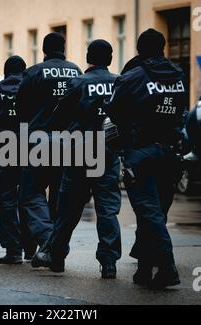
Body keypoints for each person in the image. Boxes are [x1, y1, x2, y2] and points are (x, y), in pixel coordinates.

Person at [102, 29, 188, 289]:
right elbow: (181, 110)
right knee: (156, 213)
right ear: (162, 47)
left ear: (139, 49)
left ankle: (167, 266)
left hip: (142, 151)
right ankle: (143, 268)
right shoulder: (179, 75)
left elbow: (113, 110)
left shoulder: (132, 77)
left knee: (148, 212)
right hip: (171, 152)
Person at [36, 40, 122, 278]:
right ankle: (109, 263)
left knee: (69, 209)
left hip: (79, 152)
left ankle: (57, 256)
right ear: (111, 58)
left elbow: (58, 118)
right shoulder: (118, 83)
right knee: (107, 209)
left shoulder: (78, 83)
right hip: (107, 152)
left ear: (88, 57)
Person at [16, 33, 82, 266]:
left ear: (43, 49)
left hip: (38, 141)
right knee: (59, 197)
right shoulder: (76, 71)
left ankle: (48, 240)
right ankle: (56, 256)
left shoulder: (33, 72)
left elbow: (20, 108)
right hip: (68, 141)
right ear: (63, 47)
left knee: (31, 193)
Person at [0, 56, 37, 264]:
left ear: (5, 73)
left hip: (3, 155)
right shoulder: (32, 94)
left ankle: (13, 250)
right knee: (29, 200)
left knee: (6, 203)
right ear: (24, 72)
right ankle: (31, 249)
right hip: (31, 153)